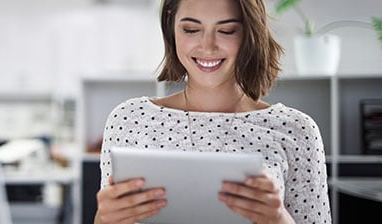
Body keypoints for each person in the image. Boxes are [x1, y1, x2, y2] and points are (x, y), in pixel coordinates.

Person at [95, 0, 332, 223]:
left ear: (250, 33)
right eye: (190, 29)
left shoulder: (296, 129)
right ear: (171, 28)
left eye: (226, 30)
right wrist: (105, 219)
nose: (207, 46)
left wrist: (279, 219)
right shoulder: (130, 119)